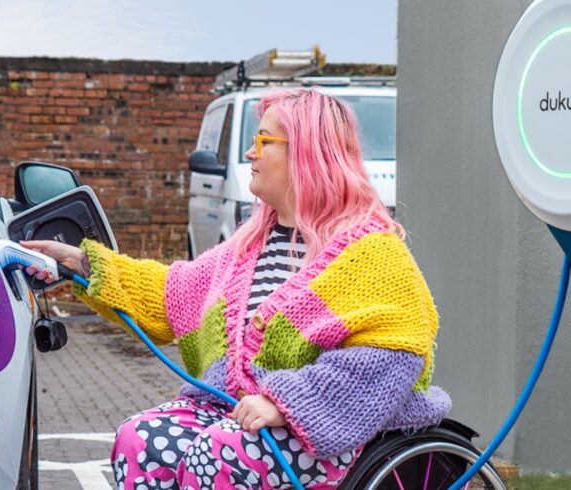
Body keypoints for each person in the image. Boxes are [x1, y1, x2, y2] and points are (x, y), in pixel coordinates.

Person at [22, 89, 451, 489]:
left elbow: (395, 354)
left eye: (264, 140)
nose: (250, 153)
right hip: (243, 414)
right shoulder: (248, 248)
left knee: (219, 453)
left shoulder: (371, 252)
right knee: (141, 439)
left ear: (306, 153)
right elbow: (171, 292)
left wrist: (287, 405)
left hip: (338, 430)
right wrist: (82, 262)